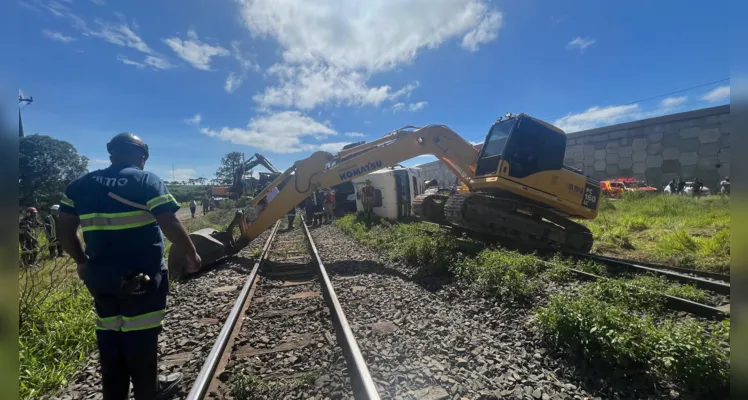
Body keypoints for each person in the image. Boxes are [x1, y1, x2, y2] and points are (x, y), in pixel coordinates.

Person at [57, 132, 202, 400]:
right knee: (140, 338)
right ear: (141, 156)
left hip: (100, 278)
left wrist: (81, 261)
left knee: (110, 338)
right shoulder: (146, 180)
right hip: (141, 279)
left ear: (112, 154)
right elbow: (169, 221)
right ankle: (148, 392)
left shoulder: (79, 185)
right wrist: (191, 253)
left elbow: (65, 231)